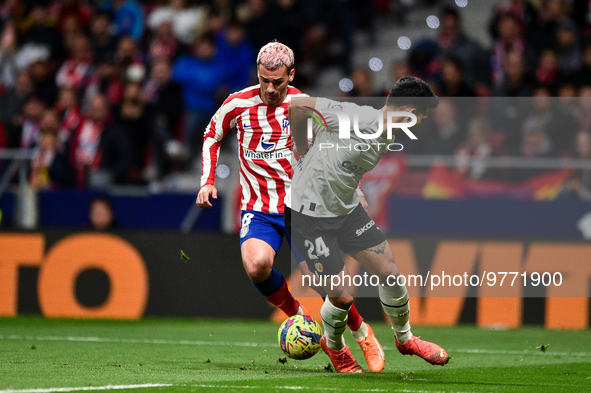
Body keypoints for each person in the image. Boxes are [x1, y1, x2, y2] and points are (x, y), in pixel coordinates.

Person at [196, 42, 385, 373]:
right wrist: (207, 180)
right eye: (263, 80)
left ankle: (361, 332)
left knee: (329, 285)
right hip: (258, 209)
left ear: (291, 75)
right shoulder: (237, 103)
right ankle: (307, 325)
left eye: (277, 82)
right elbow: (212, 135)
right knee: (256, 266)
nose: (270, 89)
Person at [288, 76, 449, 373]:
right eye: (421, 118)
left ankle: (405, 340)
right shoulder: (353, 116)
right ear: (410, 111)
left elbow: (346, 163)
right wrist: (302, 149)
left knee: (390, 272)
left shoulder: (388, 134)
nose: (420, 125)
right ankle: (334, 347)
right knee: (342, 296)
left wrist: (357, 191)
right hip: (310, 215)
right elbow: (298, 107)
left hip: (346, 209)